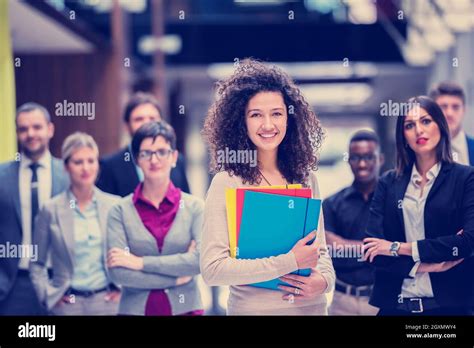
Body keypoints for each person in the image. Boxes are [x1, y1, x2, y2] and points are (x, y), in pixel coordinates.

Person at [200, 59, 335, 315]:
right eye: (256, 115)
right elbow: (213, 270)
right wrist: (289, 262)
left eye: (277, 113)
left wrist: (325, 282)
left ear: (289, 118)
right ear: (241, 122)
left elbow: (321, 252)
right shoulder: (227, 182)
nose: (268, 125)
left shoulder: (306, 178)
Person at [364, 96, 474, 315]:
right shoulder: (387, 182)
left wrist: (397, 247)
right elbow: (373, 251)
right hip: (395, 307)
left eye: (426, 121)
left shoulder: (465, 178)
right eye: (409, 125)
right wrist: (425, 265)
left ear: (440, 127)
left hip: (449, 309)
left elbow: (467, 242)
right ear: (403, 136)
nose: (418, 130)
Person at [106, 121, 203, 316]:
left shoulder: (195, 207)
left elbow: (199, 261)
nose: (154, 159)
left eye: (162, 151)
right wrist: (176, 278)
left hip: (187, 310)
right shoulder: (118, 210)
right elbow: (118, 272)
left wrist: (139, 262)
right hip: (134, 311)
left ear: (174, 157)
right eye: (146, 153)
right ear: (136, 159)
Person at [30, 132, 121, 315]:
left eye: (91, 161)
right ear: (66, 167)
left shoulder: (115, 205)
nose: (85, 168)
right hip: (67, 305)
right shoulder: (51, 209)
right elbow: (36, 263)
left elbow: (130, 252)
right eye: (78, 162)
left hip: (107, 303)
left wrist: (124, 288)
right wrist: (48, 295)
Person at [0, 103, 69, 315]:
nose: (30, 134)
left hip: (59, 283)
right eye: (23, 129)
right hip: (13, 286)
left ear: (50, 129)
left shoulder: (68, 175)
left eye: (37, 127)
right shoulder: (1, 177)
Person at [323, 129, 382, 315]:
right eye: (356, 157)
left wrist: (346, 245)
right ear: (349, 160)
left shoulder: (394, 201)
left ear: (380, 159)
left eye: (369, 157)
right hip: (342, 301)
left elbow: (401, 245)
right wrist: (378, 247)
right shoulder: (332, 203)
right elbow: (329, 245)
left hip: (381, 299)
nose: (362, 164)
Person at [97, 92, 190, 196]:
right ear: (126, 126)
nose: (147, 123)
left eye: (152, 118)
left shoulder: (177, 160)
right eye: (139, 119)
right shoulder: (109, 165)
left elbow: (185, 201)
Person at [429, 81, 474, 166]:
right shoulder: (419, 151)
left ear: (464, 110)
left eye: (455, 107)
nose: (449, 113)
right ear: (432, 110)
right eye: (443, 106)